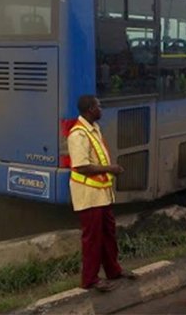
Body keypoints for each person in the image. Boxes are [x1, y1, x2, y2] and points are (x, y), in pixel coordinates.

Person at [67, 95, 137, 292]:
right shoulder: (77, 135)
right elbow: (80, 167)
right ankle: (90, 280)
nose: (101, 109)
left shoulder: (94, 129)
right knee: (92, 239)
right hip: (88, 195)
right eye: (99, 106)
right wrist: (110, 168)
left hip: (101, 194)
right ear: (90, 109)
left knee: (108, 234)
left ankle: (113, 270)